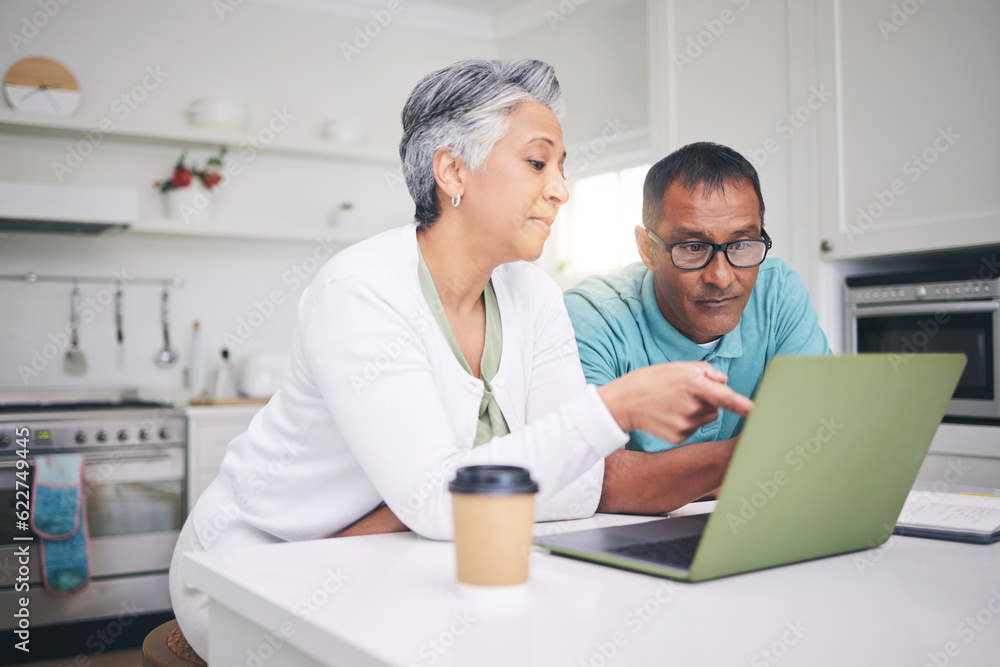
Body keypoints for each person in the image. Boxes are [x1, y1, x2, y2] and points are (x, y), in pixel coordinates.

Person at [169, 62, 753, 658]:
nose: (560, 188)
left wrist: (415, 508)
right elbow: (436, 501)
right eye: (537, 162)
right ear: (453, 170)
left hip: (393, 555)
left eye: (561, 166)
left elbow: (578, 486)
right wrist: (613, 409)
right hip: (254, 570)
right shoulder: (361, 290)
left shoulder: (535, 296)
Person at [564, 141, 830, 515]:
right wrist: (749, 458)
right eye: (692, 247)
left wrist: (658, 480)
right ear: (647, 249)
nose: (721, 277)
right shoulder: (592, 315)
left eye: (741, 244)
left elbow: (818, 443)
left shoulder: (778, 290)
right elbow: (597, 483)